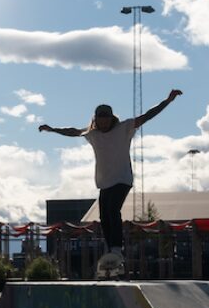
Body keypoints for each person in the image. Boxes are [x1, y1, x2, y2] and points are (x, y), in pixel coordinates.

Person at [39, 89, 182, 277]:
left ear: (111, 118)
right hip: (104, 182)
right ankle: (111, 248)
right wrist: (52, 129)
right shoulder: (92, 133)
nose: (103, 122)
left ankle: (116, 248)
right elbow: (73, 131)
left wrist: (168, 100)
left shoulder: (124, 127)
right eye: (100, 119)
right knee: (104, 215)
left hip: (122, 179)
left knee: (113, 209)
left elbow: (148, 115)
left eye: (106, 119)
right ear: (96, 120)